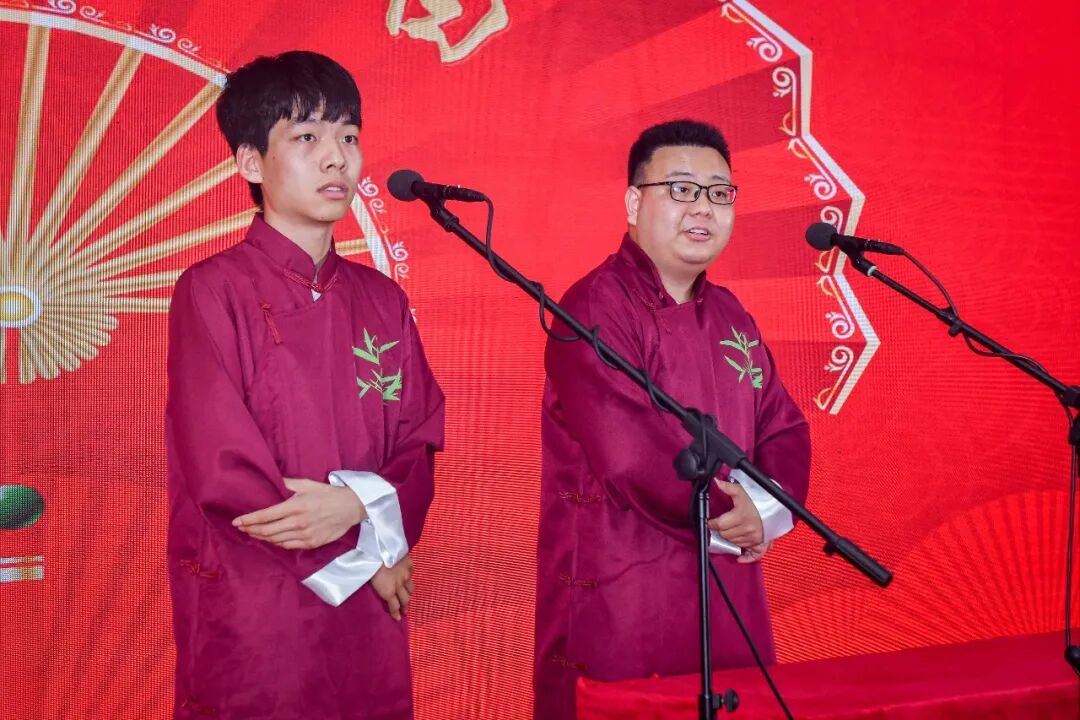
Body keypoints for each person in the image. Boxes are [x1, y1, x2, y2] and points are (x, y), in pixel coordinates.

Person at [166, 51, 444, 719]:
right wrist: (369, 549)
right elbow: (224, 467)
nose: (336, 158)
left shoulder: (383, 300)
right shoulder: (212, 291)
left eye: (348, 136)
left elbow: (419, 438)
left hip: (370, 603)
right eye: (307, 137)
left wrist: (366, 521)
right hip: (259, 601)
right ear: (250, 162)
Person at [533, 119, 810, 720]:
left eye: (719, 192)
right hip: (625, 586)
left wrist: (765, 509)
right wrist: (733, 511)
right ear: (634, 203)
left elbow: (783, 427)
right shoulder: (595, 305)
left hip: (729, 586)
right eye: (681, 189)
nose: (702, 207)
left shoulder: (731, 314)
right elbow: (629, 451)